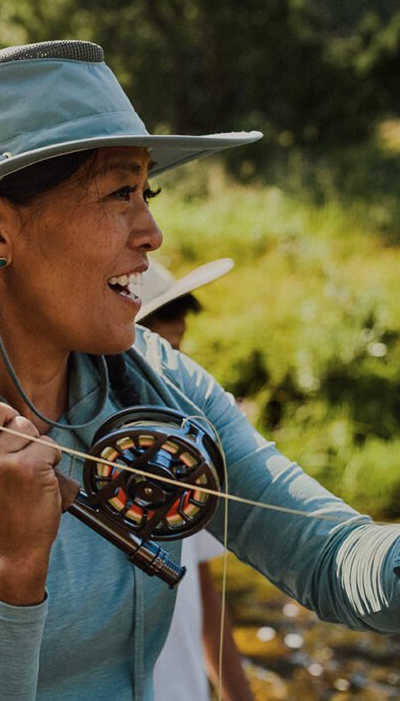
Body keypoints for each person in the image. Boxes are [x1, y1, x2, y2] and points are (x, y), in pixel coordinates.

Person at [0, 40, 400, 700]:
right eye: (120, 193)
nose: (152, 232)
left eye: (147, 191)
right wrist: (8, 566)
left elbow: (331, 558)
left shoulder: (160, 378)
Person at [131, 258, 256, 701]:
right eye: (161, 351)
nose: (175, 371)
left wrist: (238, 693)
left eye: (178, 351)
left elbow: (201, 587)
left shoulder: (187, 454)